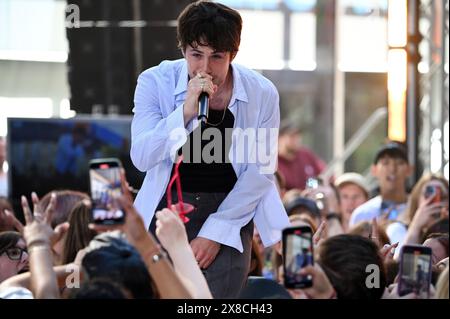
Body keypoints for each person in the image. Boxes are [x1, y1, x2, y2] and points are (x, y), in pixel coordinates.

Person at [131, 1, 289, 298]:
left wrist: (215, 233)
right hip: (167, 209)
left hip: (230, 209)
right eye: (196, 55)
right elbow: (142, 156)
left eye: (216, 57)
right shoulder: (155, 82)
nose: (204, 68)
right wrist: (185, 112)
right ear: (182, 50)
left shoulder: (262, 93)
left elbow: (260, 172)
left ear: (233, 54)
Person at [349, 141, 413, 228]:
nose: (392, 169)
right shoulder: (362, 214)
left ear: (409, 169)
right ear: (374, 170)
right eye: (385, 163)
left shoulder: (418, 210)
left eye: (399, 163)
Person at [277, 120, 326, 191]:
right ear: (280, 138)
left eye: (298, 135)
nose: (296, 139)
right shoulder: (275, 162)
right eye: (292, 136)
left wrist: (313, 187)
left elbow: (322, 175)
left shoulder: (305, 154)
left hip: (310, 198)